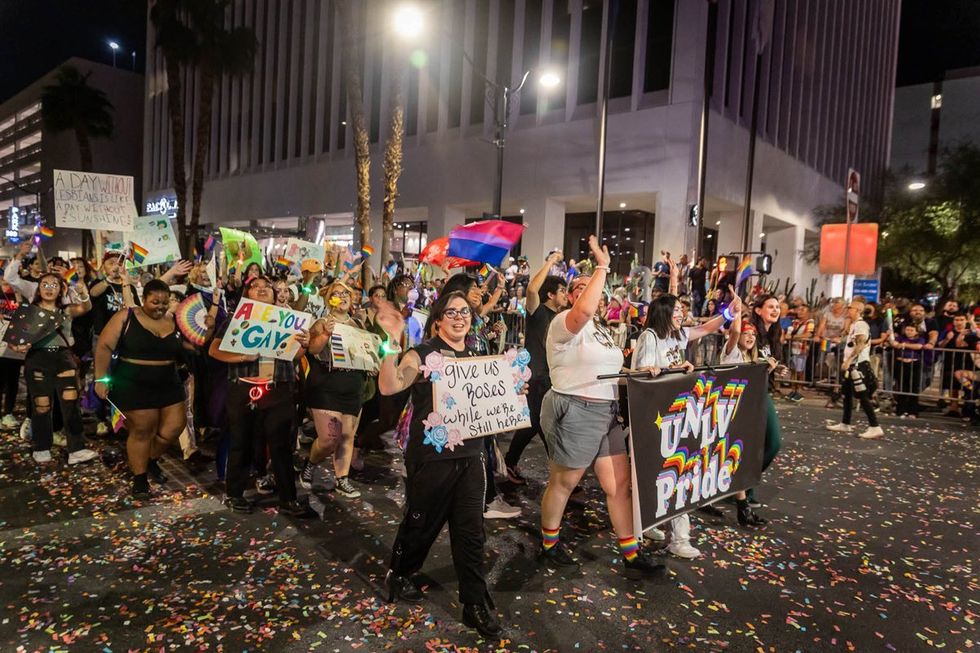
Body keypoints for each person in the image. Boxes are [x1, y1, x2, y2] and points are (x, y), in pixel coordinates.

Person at [376, 291, 502, 638]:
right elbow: (390, 385)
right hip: (431, 459)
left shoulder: (478, 355)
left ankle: (474, 603)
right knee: (421, 524)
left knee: (471, 530)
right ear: (438, 320)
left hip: (471, 457)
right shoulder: (423, 353)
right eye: (451, 312)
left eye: (464, 312)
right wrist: (390, 341)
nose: (459, 317)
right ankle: (400, 570)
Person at [538, 236, 665, 579]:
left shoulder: (602, 332)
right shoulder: (565, 322)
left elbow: (610, 372)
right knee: (564, 482)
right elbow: (583, 311)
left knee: (618, 485)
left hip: (607, 412)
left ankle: (631, 553)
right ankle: (549, 543)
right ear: (570, 295)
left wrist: (639, 373)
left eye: (591, 285)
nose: (586, 289)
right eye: (579, 286)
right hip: (576, 408)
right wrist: (602, 267)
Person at [632, 287, 743, 557]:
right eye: (677, 311)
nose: (682, 315)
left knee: (677, 472)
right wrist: (675, 369)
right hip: (654, 416)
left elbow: (705, 328)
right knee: (658, 474)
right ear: (664, 313)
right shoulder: (650, 337)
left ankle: (676, 536)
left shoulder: (678, 335)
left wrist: (730, 311)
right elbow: (644, 373)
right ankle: (648, 528)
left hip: (677, 413)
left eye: (683, 311)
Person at [209, 275, 313, 517]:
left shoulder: (287, 321)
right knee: (241, 442)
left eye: (267, 287)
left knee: (281, 446)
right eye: (255, 287)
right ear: (247, 295)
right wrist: (242, 357)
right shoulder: (236, 319)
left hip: (278, 388)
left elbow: (295, 355)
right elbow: (214, 350)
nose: (262, 290)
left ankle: (288, 499)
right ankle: (235, 494)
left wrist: (305, 344)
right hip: (244, 387)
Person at [95, 279, 191, 498]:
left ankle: (150, 460)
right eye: (155, 301)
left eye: (165, 302)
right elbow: (104, 346)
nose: (160, 306)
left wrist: (208, 326)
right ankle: (140, 479)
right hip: (133, 382)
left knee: (174, 427)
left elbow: (191, 345)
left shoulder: (175, 321)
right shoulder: (126, 317)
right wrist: (100, 379)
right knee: (142, 430)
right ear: (144, 298)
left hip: (168, 381)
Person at [441, 272, 519, 520]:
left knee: (479, 447)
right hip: (462, 393)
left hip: (477, 390)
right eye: (473, 288)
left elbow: (477, 342)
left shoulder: (473, 318)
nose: (479, 292)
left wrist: (491, 335)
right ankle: (486, 500)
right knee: (476, 448)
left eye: (478, 289)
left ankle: (479, 497)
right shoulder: (453, 321)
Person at [14, 271, 96, 465]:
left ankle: (77, 448)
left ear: (61, 289)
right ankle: (42, 447)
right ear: (38, 288)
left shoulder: (66, 311)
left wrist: (84, 293)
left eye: (54, 284)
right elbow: (14, 342)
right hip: (37, 359)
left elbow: (86, 307)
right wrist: (20, 347)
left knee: (71, 403)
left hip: (63, 358)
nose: (49, 288)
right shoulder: (27, 311)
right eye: (45, 284)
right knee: (41, 405)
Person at [299, 281, 368, 499]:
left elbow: (367, 351)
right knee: (330, 438)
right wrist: (325, 334)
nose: (343, 296)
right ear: (330, 300)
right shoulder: (322, 322)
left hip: (353, 383)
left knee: (347, 435)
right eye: (337, 293)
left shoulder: (358, 324)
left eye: (346, 293)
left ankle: (342, 479)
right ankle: (311, 463)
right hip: (327, 383)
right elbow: (312, 349)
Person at [503, 252, 567, 483]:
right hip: (536, 375)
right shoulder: (537, 311)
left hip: (550, 375)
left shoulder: (561, 318)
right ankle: (563, 475)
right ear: (550, 294)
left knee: (533, 423)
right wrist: (550, 261)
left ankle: (509, 463)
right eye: (562, 291)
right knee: (543, 425)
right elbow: (531, 290)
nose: (566, 295)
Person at [717, 317, 769, 527]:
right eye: (747, 333)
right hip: (725, 414)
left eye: (753, 335)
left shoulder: (751, 358)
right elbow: (735, 332)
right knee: (731, 461)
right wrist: (736, 311)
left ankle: (742, 506)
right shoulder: (732, 352)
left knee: (734, 461)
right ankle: (742, 507)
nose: (750, 337)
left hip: (742, 414)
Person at [826, 298, 884, 439]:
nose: (848, 310)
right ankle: (845, 423)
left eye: (850, 308)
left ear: (857, 310)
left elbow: (860, 344)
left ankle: (875, 426)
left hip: (858, 366)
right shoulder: (853, 325)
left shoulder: (860, 325)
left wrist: (849, 361)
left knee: (863, 397)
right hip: (852, 365)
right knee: (847, 393)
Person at [890, 323, 926, 418]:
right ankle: (900, 410)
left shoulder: (920, 339)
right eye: (907, 330)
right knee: (902, 388)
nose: (909, 332)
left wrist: (904, 345)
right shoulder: (901, 337)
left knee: (913, 388)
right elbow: (894, 344)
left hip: (914, 365)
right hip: (901, 364)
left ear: (916, 332)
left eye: (911, 330)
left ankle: (913, 411)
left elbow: (919, 346)